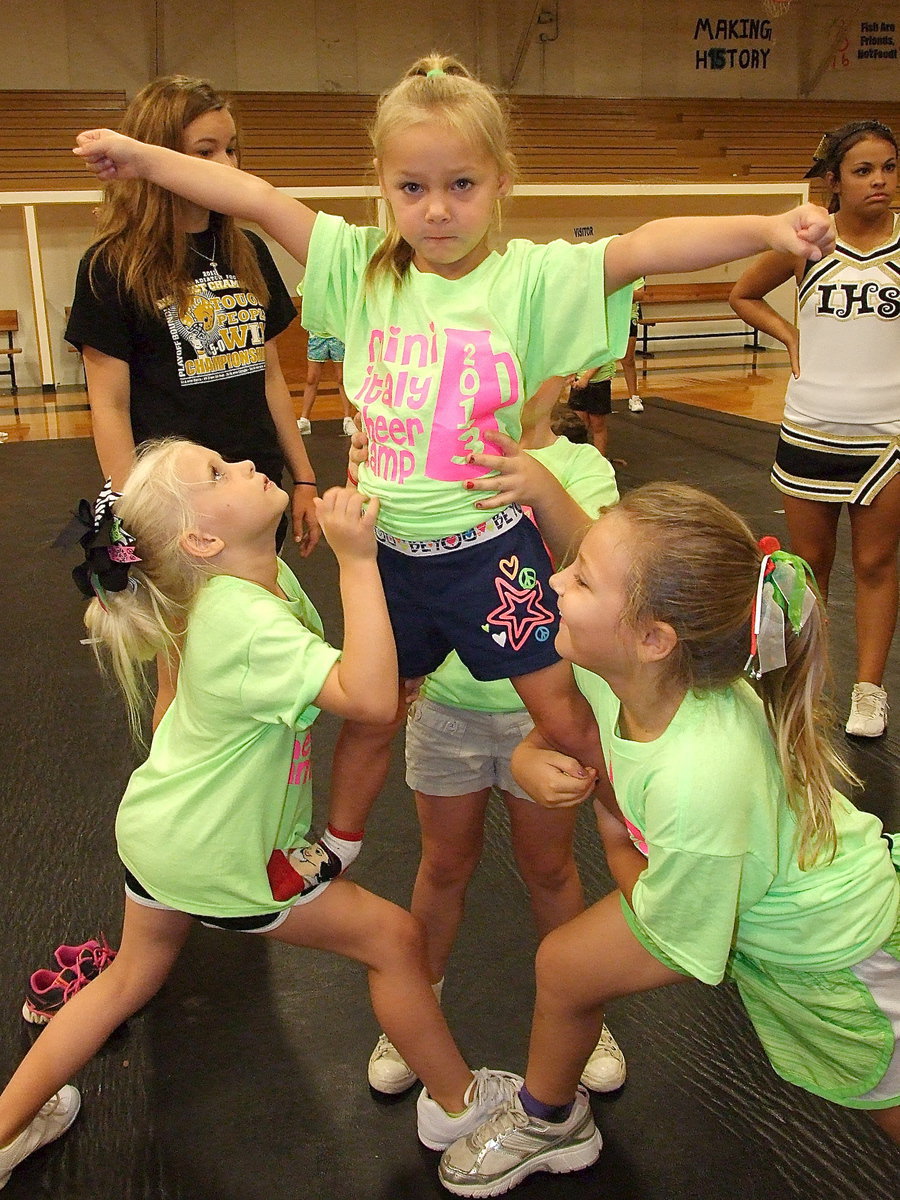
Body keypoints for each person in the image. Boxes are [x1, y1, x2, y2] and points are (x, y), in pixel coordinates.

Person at [72, 51, 836, 865]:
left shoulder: (532, 281)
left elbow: (645, 247)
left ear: (501, 181)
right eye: (412, 188)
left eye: (461, 185)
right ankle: (335, 846)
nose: (437, 210)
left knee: (566, 717)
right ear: (384, 185)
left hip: (488, 554)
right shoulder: (359, 269)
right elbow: (255, 198)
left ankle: (644, 831)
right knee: (373, 713)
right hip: (390, 553)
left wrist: (765, 229)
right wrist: (145, 158)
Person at [0, 439, 521, 1190]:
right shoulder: (242, 619)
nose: (245, 464)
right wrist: (358, 561)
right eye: (218, 473)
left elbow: (206, 688)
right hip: (217, 853)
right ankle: (459, 1107)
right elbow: (369, 699)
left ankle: (8, 1126)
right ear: (203, 540)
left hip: (159, 824)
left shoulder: (242, 584)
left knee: (128, 978)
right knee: (395, 939)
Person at [437, 482, 900, 1196]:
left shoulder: (700, 772)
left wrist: (612, 826)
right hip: (758, 911)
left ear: (653, 636)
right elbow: (577, 703)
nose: (554, 581)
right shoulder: (630, 668)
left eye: (579, 577)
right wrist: (532, 755)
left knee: (888, 1101)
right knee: (565, 966)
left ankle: (546, 1117)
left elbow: (678, 934)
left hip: (835, 957)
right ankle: (549, 1118)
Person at [367, 397, 626, 1097]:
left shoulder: (578, 464)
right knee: (444, 866)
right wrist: (368, 461)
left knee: (548, 869)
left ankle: (584, 1012)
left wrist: (540, 483)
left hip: (540, 721)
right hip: (448, 710)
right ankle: (414, 1006)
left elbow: (598, 568)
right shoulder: (416, 455)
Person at [65, 75, 320, 557]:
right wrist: (135, 513)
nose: (227, 166)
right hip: (178, 506)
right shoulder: (112, 266)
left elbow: (269, 379)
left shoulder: (249, 251)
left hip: (254, 488)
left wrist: (303, 477)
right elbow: (111, 409)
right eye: (206, 152)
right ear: (158, 158)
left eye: (231, 149)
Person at [730, 121, 900, 738]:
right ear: (834, 180)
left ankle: (870, 690)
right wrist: (789, 334)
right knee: (810, 566)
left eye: (888, 166)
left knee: (878, 562)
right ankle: (810, 684)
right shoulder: (809, 245)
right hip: (810, 428)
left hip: (888, 434)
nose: (879, 181)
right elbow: (744, 293)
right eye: (862, 170)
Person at [297, 333, 357, 437]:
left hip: (337, 335)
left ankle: (348, 419)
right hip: (317, 336)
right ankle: (304, 420)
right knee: (311, 378)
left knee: (341, 378)